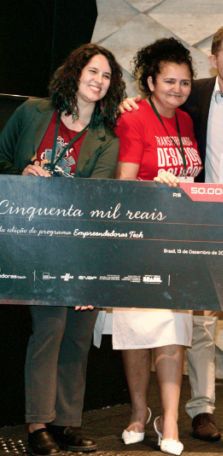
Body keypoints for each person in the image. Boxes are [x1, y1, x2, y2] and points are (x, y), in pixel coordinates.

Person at [119, 24, 223, 441]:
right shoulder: (195, 96)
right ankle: (200, 410)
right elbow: (145, 128)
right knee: (197, 323)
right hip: (197, 228)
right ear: (214, 60)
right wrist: (128, 103)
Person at [0, 43, 124, 456]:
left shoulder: (106, 138)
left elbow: (98, 201)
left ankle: (68, 423)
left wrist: (91, 269)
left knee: (78, 335)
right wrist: (22, 173)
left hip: (80, 247)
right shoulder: (33, 113)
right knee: (49, 329)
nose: (98, 80)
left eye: (106, 75)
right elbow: (1, 160)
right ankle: (38, 424)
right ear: (75, 72)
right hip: (32, 245)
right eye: (93, 70)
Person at [113, 37, 202, 456]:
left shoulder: (187, 121)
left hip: (179, 241)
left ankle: (170, 420)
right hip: (140, 240)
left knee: (173, 329)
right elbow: (124, 185)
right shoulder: (134, 119)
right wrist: (154, 186)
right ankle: (138, 411)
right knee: (134, 331)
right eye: (169, 81)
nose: (178, 89)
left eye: (185, 82)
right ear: (150, 81)